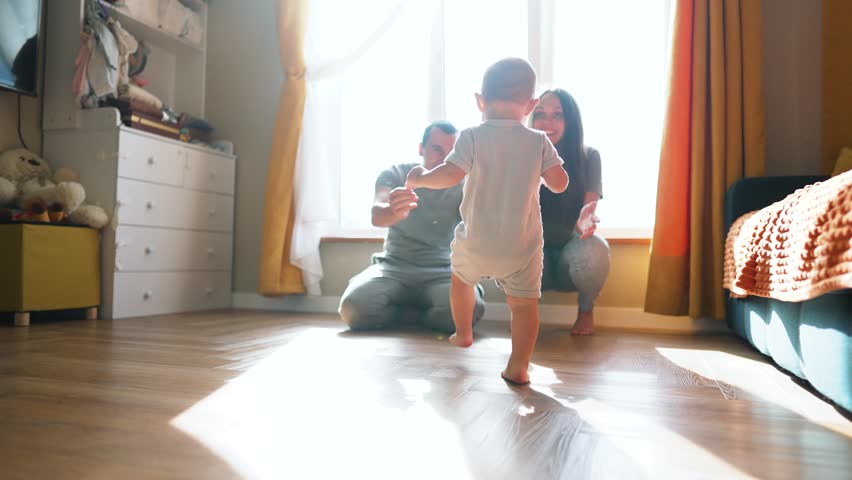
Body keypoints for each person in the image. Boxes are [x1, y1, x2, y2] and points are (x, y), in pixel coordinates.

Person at [406, 58, 570, 386]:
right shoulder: (539, 141)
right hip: (521, 248)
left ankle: (463, 332)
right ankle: (519, 366)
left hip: (477, 243)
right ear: (531, 105)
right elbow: (560, 183)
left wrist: (422, 178)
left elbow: (450, 175)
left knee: (460, 281)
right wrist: (550, 175)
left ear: (480, 101)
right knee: (524, 308)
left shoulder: (471, 137)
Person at [338, 121, 486, 333]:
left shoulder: (465, 184)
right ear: (421, 148)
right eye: (437, 149)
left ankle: (409, 314)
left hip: (444, 270)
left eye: (451, 152)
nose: (444, 159)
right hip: (392, 267)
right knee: (353, 309)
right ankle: (415, 313)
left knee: (470, 311)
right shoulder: (396, 174)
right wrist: (393, 211)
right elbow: (376, 215)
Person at [531, 89, 611, 336]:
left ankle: (585, 313)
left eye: (558, 115)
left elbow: (589, 205)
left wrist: (585, 220)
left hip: (569, 252)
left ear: (570, 121)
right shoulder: (522, 157)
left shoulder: (588, 156)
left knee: (596, 247)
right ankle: (524, 319)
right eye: (540, 114)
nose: (547, 123)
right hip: (533, 251)